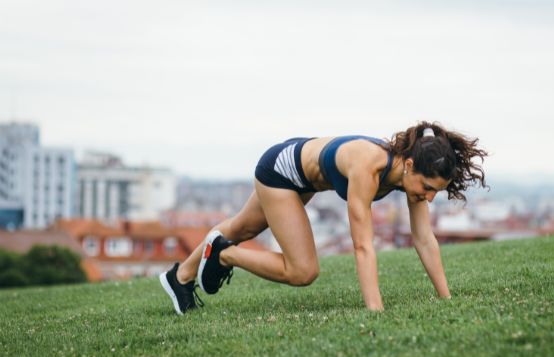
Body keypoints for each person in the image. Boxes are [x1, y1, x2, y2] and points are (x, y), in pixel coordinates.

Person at [159, 121, 487, 315]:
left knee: (242, 226)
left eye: (435, 193)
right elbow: (363, 246)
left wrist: (446, 299)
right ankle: (225, 254)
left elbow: (424, 239)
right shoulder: (369, 167)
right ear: (412, 165)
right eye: (428, 188)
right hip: (281, 171)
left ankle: (180, 278)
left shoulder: (411, 175)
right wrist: (376, 311)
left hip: (298, 170)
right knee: (303, 270)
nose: (428, 197)